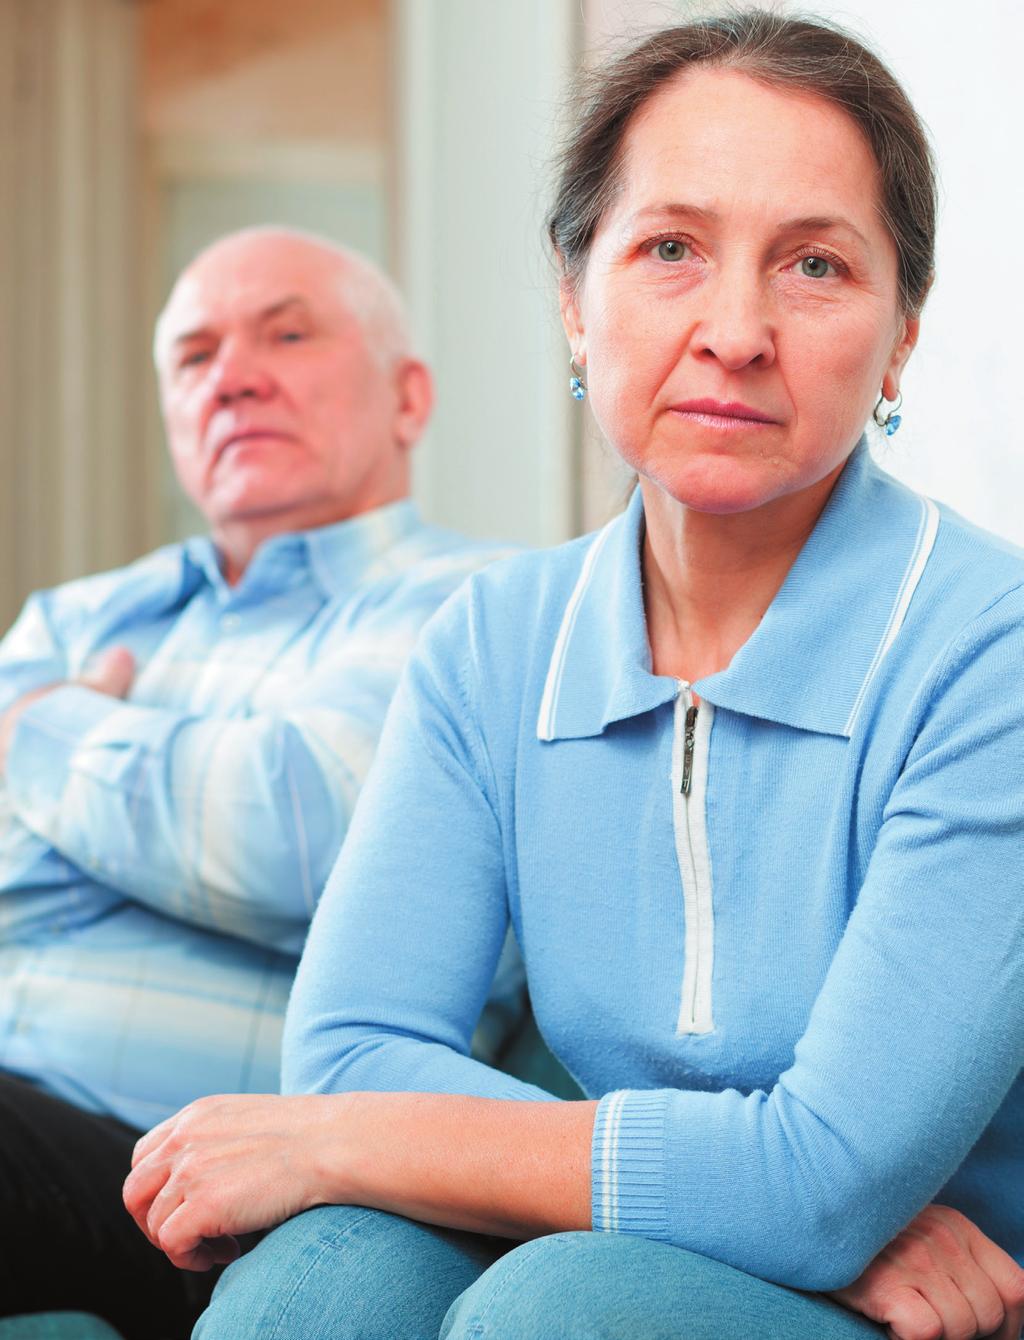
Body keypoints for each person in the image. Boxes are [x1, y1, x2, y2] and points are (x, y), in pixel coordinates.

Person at [126, 15, 1024, 1340]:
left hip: (953, 1307)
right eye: (670, 249)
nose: (735, 330)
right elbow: (352, 1051)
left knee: (554, 1310)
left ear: (898, 338)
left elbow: (826, 1177)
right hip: (810, 1252)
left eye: (815, 265)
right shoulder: (494, 640)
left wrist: (800, 1209)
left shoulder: (987, 651)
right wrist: (768, 1208)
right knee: (316, 1286)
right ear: (574, 299)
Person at [0, 227, 517, 1338]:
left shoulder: (474, 608)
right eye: (193, 358)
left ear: (408, 398)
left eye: (287, 333)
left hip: (202, 1174)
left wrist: (42, 731)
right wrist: (154, 807)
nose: (232, 374)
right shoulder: (82, 613)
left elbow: (291, 832)